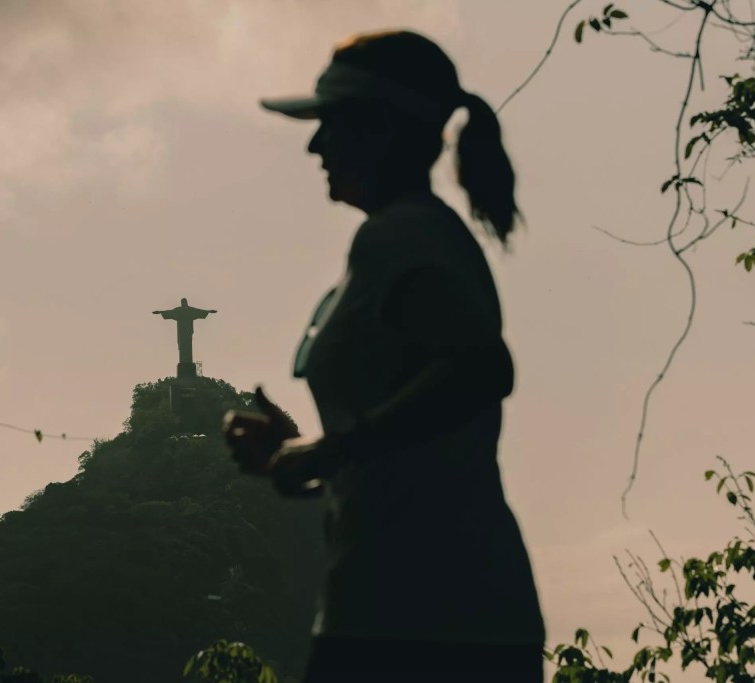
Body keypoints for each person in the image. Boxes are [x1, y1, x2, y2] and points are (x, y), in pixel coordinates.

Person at [222, 30, 546, 681]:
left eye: (330, 125)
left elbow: (481, 369)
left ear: (381, 127)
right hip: (430, 610)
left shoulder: (401, 236)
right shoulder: (414, 235)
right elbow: (416, 426)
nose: (315, 145)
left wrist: (331, 450)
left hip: (417, 618)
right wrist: (301, 452)